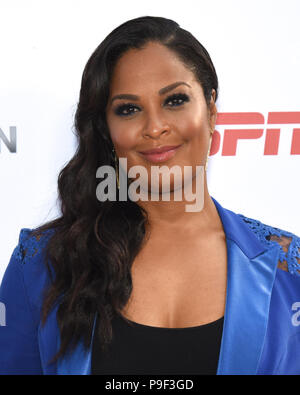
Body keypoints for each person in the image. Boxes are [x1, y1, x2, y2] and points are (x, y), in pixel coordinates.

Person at [0, 15, 300, 376]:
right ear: (106, 130)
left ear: (212, 108)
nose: (155, 127)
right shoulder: (41, 263)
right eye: (128, 109)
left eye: (175, 100)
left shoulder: (288, 267)